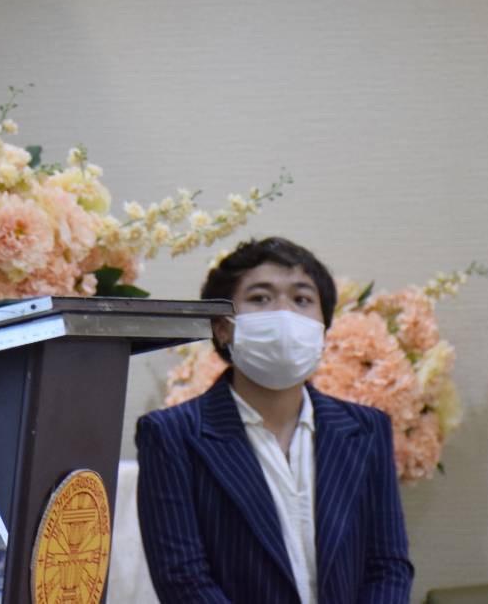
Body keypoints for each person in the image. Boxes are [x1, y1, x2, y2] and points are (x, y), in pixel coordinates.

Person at [135, 237, 414, 604]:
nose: (284, 313)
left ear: (323, 327)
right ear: (222, 326)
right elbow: (183, 579)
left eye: (302, 299)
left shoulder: (366, 429)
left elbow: (388, 566)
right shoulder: (172, 435)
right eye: (260, 298)